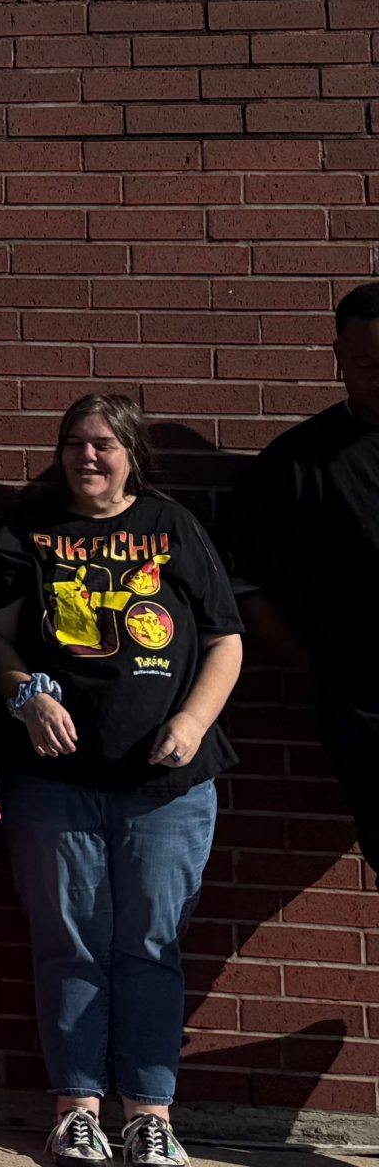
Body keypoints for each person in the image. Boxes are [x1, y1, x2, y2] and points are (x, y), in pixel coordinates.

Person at [0, 395, 242, 1167]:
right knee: (68, 944)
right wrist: (25, 697)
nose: (86, 456)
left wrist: (192, 721)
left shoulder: (172, 526)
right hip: (54, 781)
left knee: (150, 946)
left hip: (168, 787)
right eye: (73, 443)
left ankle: (150, 1116)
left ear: (131, 453)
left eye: (102, 444)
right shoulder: (28, 529)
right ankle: (77, 1110)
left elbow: (226, 639)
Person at [216, 284, 379, 867]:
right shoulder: (294, 463)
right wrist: (326, 665)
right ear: (339, 357)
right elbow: (242, 584)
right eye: (365, 362)